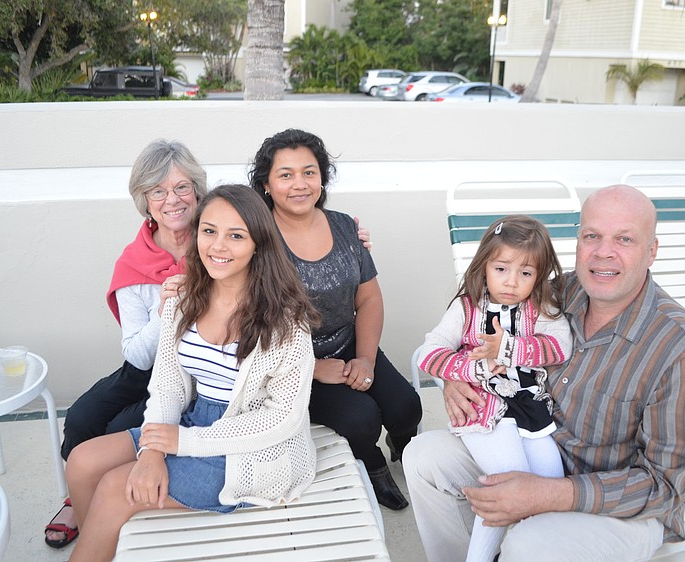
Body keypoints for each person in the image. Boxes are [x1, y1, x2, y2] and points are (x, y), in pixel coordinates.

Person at [403, 185, 685, 562]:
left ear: (651, 250)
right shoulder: (551, 293)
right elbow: (468, 336)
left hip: (617, 507)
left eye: (624, 238)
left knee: (530, 543)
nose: (604, 252)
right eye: (592, 236)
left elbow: (667, 488)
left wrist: (549, 493)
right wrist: (456, 377)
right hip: (528, 447)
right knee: (425, 456)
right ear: (578, 240)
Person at [64, 184, 320, 562]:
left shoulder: (286, 322)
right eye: (209, 231)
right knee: (83, 462)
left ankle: (100, 537)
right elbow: (167, 385)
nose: (218, 246)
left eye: (236, 235)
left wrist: (181, 443)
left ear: (258, 245)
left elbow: (281, 418)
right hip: (193, 424)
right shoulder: (184, 300)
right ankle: (105, 545)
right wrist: (153, 450)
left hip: (254, 449)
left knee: (114, 490)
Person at [248, 128, 422, 510]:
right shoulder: (256, 242)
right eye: (286, 174)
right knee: (362, 419)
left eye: (309, 172)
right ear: (266, 184)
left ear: (322, 178)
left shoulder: (344, 226)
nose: (300, 184)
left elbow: (370, 297)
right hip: (292, 362)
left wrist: (365, 359)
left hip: (349, 342)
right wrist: (309, 367)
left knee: (407, 406)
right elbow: (250, 329)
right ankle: (373, 466)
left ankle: (403, 444)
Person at [45, 139, 208, 548]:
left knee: (119, 429)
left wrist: (345, 229)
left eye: (182, 187)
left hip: (197, 372)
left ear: (198, 190)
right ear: (145, 200)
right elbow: (137, 353)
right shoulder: (135, 263)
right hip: (146, 367)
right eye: (158, 191)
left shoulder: (216, 239)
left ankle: (111, 506)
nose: (172, 200)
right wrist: (165, 309)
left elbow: (268, 222)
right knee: (83, 417)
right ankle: (81, 502)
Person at [417, 215, 572, 562]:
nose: (512, 282)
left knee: (550, 475)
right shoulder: (466, 308)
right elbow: (429, 353)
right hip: (483, 411)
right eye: (502, 268)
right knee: (508, 488)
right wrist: (472, 368)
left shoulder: (540, 309)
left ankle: (530, 551)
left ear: (540, 275)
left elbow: (561, 347)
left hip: (528, 411)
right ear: (485, 264)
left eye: (526, 273)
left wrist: (509, 348)